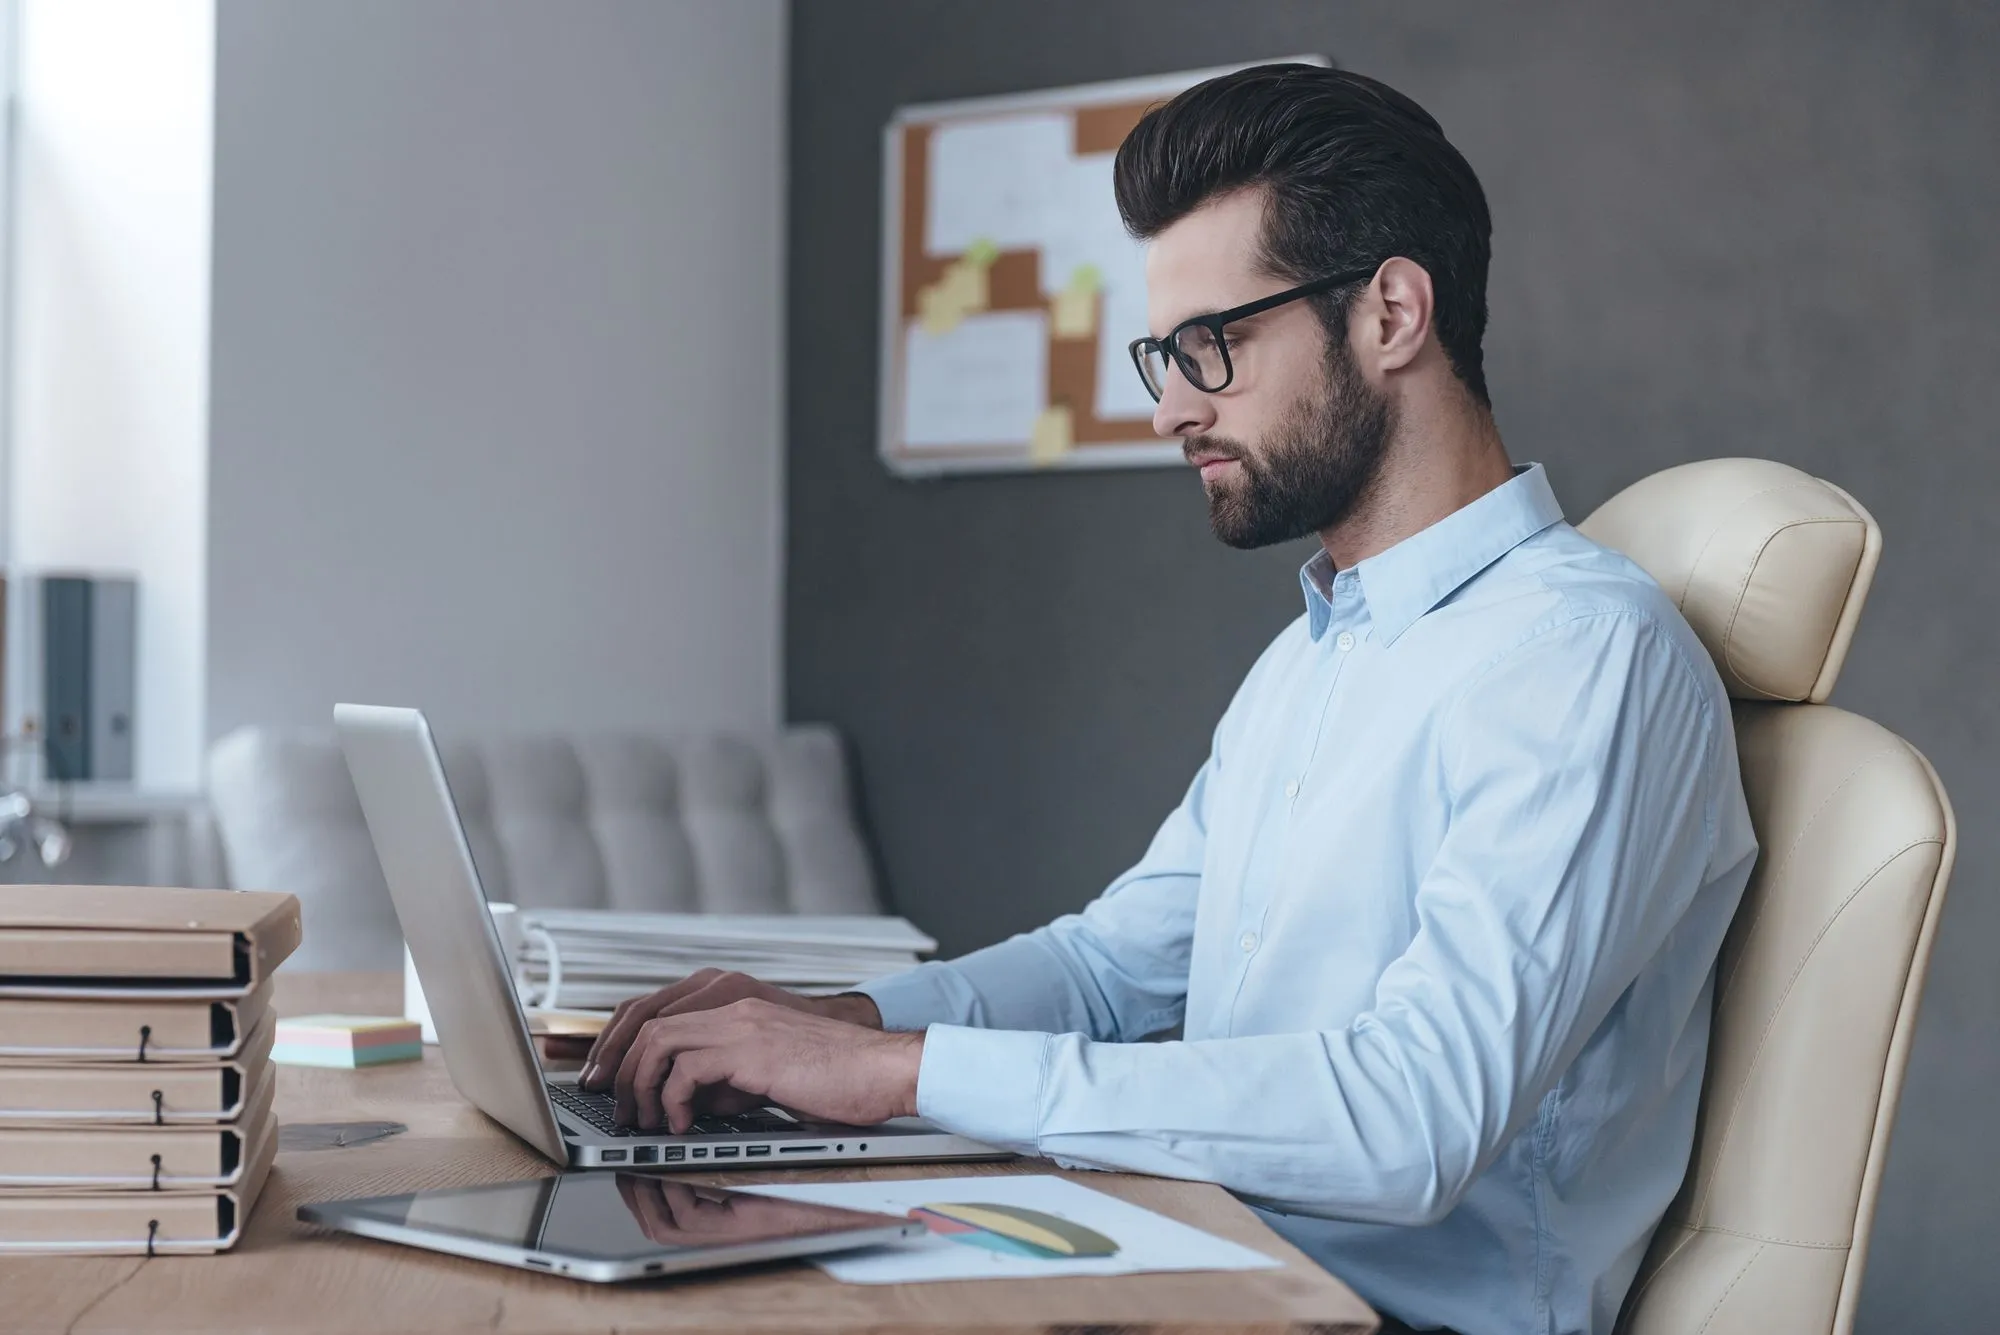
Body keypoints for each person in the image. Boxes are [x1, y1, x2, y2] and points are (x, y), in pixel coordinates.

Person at [574, 64, 1757, 1335]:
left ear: (1391, 313)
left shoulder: (1579, 657)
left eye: (1212, 347)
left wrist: (892, 1073)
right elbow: (1109, 970)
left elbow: (1412, 1120)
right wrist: (831, 1024)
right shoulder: (1312, 658)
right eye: (1162, 353)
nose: (1168, 407)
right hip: (1179, 1254)